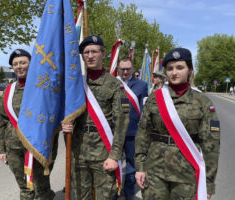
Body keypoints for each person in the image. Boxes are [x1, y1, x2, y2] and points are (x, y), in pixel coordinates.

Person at [135, 48, 220, 200]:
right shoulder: (155, 98)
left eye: (180, 67)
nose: (174, 72)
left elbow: (211, 146)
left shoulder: (203, 102)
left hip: (187, 173)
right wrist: (140, 167)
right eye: (170, 68)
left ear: (189, 70)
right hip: (155, 170)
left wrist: (208, 183)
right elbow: (143, 134)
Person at [62, 35, 130, 200]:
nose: (90, 56)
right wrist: (65, 125)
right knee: (79, 196)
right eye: (86, 52)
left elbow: (121, 124)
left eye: (94, 51)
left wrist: (114, 156)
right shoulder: (75, 84)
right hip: (78, 153)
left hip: (103, 153)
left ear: (103, 54)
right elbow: (65, 112)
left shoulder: (115, 85)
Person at [0, 49, 58, 200]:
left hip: (37, 148)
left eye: (23, 62)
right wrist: (2, 149)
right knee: (24, 188)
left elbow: (52, 119)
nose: (19, 66)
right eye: (15, 64)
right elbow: (2, 120)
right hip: (14, 148)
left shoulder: (42, 88)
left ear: (31, 64)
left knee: (41, 189)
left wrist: (51, 151)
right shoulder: (9, 90)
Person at [115, 57, 148, 199]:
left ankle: (128, 191)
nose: (125, 71)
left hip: (133, 131)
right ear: (118, 69)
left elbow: (144, 107)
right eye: (122, 69)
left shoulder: (142, 85)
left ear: (133, 69)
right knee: (114, 162)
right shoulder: (113, 83)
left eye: (128, 68)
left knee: (131, 164)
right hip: (114, 131)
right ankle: (114, 191)